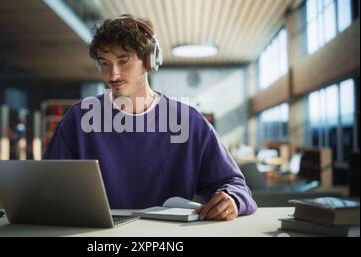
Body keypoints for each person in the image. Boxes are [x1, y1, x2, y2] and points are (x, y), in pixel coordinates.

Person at [44, 14, 257, 221]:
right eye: (105, 63)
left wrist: (233, 200)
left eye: (123, 61)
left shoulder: (188, 122)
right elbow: (47, 186)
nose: (112, 75)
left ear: (149, 60)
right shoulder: (78, 119)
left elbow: (235, 184)